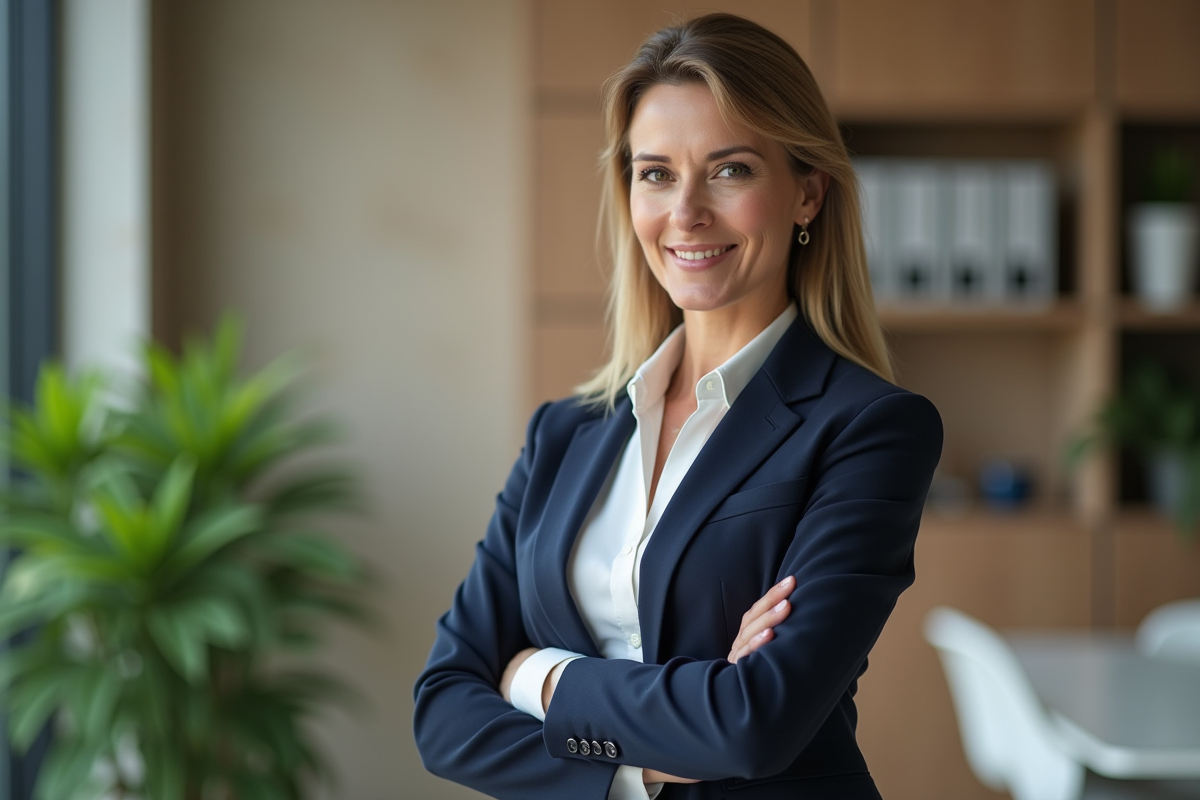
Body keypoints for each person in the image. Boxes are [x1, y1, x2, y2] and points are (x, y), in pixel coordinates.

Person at [413, 12, 942, 800]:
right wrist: (653, 753)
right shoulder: (564, 435)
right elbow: (445, 711)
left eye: (729, 170)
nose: (685, 212)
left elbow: (753, 724)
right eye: (656, 172)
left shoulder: (868, 429)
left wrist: (537, 674)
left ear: (806, 192)